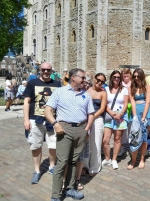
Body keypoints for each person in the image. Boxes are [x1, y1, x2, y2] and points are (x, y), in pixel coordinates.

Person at [44, 68, 95, 201]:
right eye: (82, 77)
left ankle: (70, 188)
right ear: (73, 78)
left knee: (74, 161)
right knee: (62, 162)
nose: (85, 80)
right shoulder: (60, 92)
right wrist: (55, 124)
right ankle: (55, 195)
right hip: (64, 129)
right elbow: (48, 110)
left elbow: (91, 114)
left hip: (81, 129)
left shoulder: (86, 95)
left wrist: (87, 129)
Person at [23, 62, 61, 185]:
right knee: (36, 146)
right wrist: (26, 120)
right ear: (40, 69)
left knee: (53, 145)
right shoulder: (32, 83)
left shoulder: (57, 84)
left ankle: (51, 166)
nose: (45, 72)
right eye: (43, 69)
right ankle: (37, 170)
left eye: (48, 70)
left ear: (51, 71)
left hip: (52, 120)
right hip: (36, 119)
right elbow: (27, 102)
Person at [128, 68, 150, 170]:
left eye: (138, 76)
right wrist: (135, 117)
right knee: (135, 136)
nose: (136, 78)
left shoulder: (147, 87)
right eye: (134, 76)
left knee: (144, 138)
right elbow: (132, 101)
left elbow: (148, 102)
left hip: (146, 112)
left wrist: (144, 116)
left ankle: (142, 159)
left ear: (142, 76)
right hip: (136, 113)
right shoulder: (131, 88)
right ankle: (134, 160)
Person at [102, 70, 128, 170]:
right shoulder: (106, 89)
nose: (116, 79)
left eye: (118, 77)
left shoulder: (124, 89)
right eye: (114, 77)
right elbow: (104, 103)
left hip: (120, 117)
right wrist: (111, 112)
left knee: (117, 139)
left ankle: (114, 159)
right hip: (109, 116)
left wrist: (120, 114)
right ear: (111, 78)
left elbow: (125, 103)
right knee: (105, 140)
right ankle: (107, 158)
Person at [86, 73, 107, 175]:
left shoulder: (103, 93)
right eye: (98, 80)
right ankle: (85, 166)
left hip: (97, 119)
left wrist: (92, 117)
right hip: (85, 119)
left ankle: (95, 167)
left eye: (102, 81)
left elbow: (102, 108)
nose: (99, 82)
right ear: (94, 79)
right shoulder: (87, 90)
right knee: (86, 144)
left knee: (96, 143)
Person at [119, 68, 132, 156]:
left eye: (128, 74)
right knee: (122, 128)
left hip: (131, 108)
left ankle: (132, 147)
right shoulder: (120, 84)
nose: (126, 75)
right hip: (122, 108)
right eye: (124, 74)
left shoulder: (133, 84)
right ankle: (121, 147)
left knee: (131, 128)